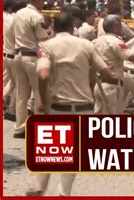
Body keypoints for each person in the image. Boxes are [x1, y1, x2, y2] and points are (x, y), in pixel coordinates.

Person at [26, 12, 111, 196]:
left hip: (58, 106)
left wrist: (41, 100)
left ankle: (40, 187)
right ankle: (64, 193)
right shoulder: (87, 45)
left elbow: (43, 74)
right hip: (84, 108)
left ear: (54, 28)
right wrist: (89, 74)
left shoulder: (47, 46)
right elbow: (106, 72)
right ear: (72, 28)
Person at [93, 14, 134, 114]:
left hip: (99, 84)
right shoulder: (117, 42)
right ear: (116, 27)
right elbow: (133, 58)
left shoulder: (97, 41)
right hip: (111, 86)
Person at [12, 0, 50, 138]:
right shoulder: (36, 16)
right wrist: (49, 32)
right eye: (43, 0)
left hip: (18, 54)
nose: (43, 3)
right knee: (39, 92)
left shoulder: (18, 13)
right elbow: (42, 37)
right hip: (31, 56)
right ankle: (38, 127)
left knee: (22, 94)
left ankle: (19, 127)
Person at [3, 0, 15, 121]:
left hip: (5, 51)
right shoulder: (10, 19)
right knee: (11, 81)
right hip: (9, 52)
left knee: (7, 80)